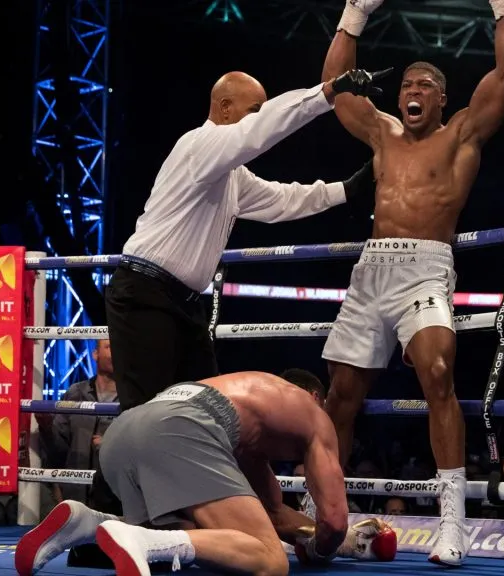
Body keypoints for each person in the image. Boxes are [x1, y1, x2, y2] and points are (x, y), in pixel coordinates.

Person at [76, 67, 388, 560]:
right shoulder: (199, 148)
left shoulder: (231, 176)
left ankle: (211, 526)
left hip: (184, 305)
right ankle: (100, 531)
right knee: (143, 414)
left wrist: (350, 188)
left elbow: (286, 199)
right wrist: (326, 93)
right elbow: (261, 132)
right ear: (222, 109)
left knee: (213, 419)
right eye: (251, 109)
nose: (256, 120)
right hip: (145, 296)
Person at [315, 0, 504, 566]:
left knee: (437, 371)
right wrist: (355, 12)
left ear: (441, 99)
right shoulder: (382, 134)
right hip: (371, 268)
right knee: (339, 399)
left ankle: (451, 524)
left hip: (427, 267)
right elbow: (333, 86)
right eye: (406, 82)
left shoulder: (461, 135)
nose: (412, 88)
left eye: (425, 84)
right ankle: (325, 519)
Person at [15, 372, 397, 576]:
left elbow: (273, 516)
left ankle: (86, 522)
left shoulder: (251, 424)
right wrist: (326, 546)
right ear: (314, 396)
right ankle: (141, 541)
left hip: (128, 430)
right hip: (181, 428)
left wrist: (350, 540)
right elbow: (331, 520)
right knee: (269, 561)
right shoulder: (315, 418)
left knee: (212, 535)